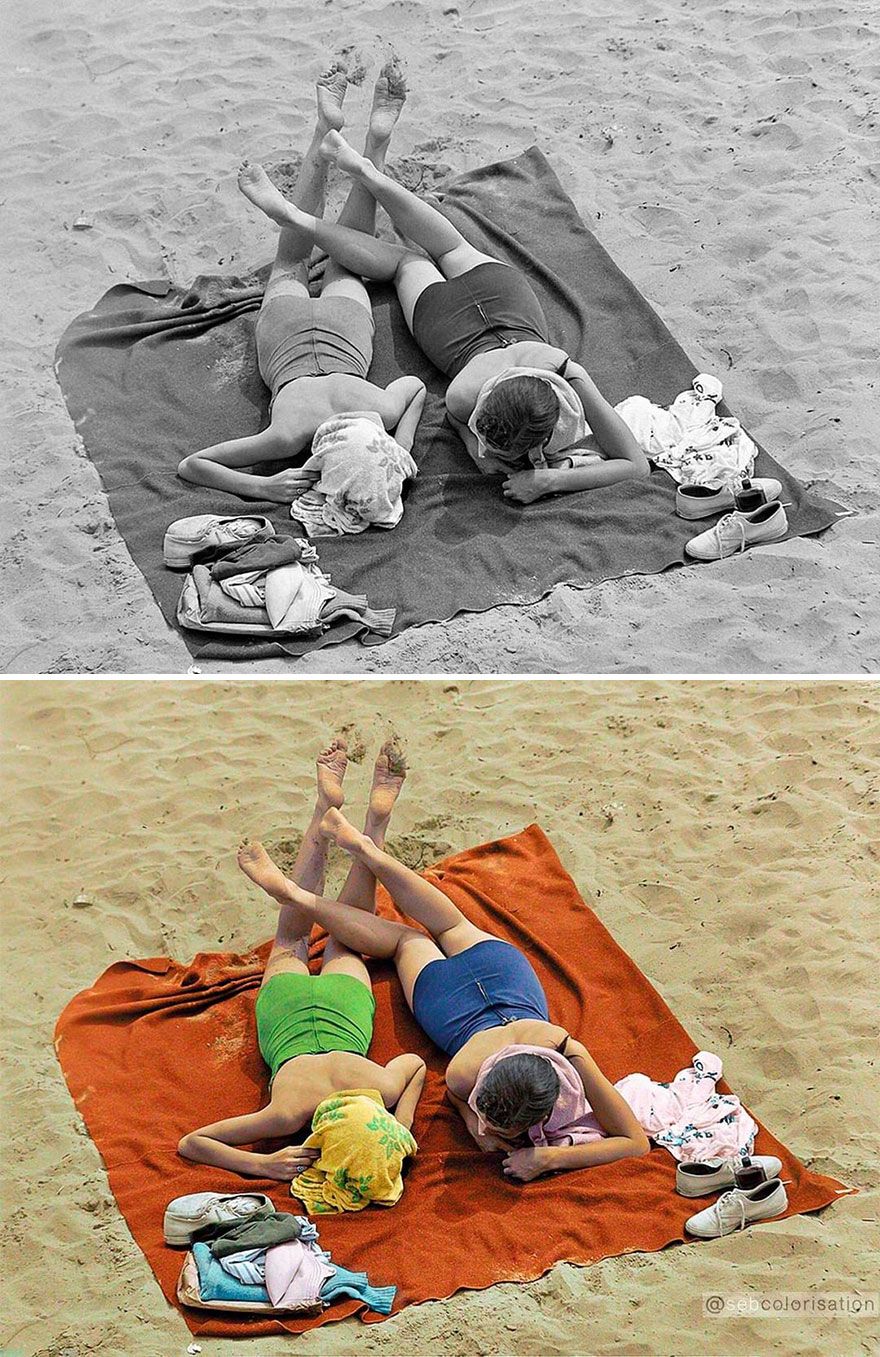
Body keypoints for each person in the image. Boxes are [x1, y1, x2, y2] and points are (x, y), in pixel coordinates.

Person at [235, 130, 650, 504]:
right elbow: (634, 465)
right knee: (404, 263)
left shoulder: (558, 367)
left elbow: (634, 467)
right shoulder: (498, 388)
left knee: (448, 248)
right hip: (449, 326)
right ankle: (304, 217)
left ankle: (368, 175)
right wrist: (545, 480)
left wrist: (475, 441)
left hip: (505, 296)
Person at [238, 807, 650, 1184]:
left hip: (504, 974)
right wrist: (544, 1158)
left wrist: (474, 1119)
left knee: (448, 924)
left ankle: (367, 852)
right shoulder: (516, 1061)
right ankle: (304, 897)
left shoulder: (558, 1042)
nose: (486, 1129)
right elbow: (633, 1142)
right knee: (404, 940)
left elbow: (634, 1144)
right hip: (450, 1006)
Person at [177, 56, 426, 508]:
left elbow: (416, 389)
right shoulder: (287, 437)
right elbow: (194, 465)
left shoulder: (378, 410)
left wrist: (401, 444)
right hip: (286, 335)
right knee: (292, 259)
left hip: (344, 330)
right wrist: (259, 485)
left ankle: (368, 145)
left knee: (347, 254)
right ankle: (327, 133)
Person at [177, 736, 426, 1181]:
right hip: (286, 1011)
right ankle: (328, 812)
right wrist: (261, 1164)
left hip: (343, 1007)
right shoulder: (287, 1116)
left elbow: (416, 1068)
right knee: (293, 936)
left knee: (350, 931)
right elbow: (193, 1144)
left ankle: (369, 823)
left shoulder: (378, 1088)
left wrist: (401, 1122)